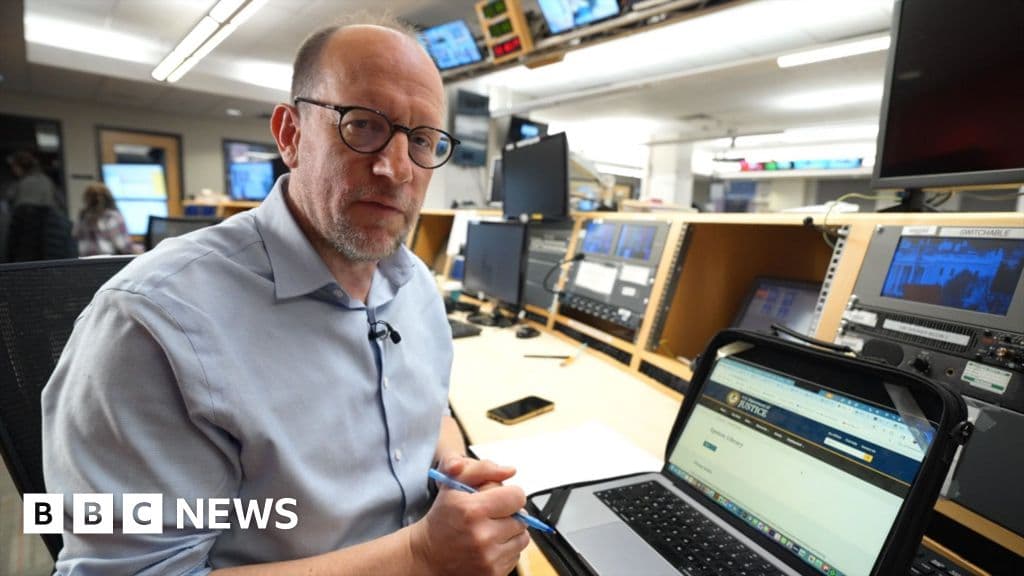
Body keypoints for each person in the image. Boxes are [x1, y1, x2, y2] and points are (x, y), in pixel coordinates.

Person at [43, 15, 529, 576]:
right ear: (290, 134)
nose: (396, 168)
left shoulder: (414, 284)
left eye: (421, 140)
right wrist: (420, 555)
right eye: (363, 125)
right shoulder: (150, 324)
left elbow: (429, 404)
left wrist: (453, 459)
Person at [75, 182, 138, 256]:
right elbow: (124, 248)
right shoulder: (112, 217)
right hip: (108, 264)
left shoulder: (82, 217)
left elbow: (75, 239)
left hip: (85, 264)